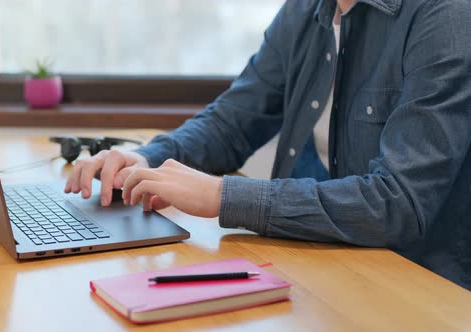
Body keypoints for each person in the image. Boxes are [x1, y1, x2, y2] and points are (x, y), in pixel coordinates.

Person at [65, 0, 471, 290]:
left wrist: (224, 196)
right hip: (325, 263)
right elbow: (234, 120)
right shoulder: (303, 10)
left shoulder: (447, 15)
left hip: (416, 286)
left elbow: (398, 203)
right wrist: (146, 159)